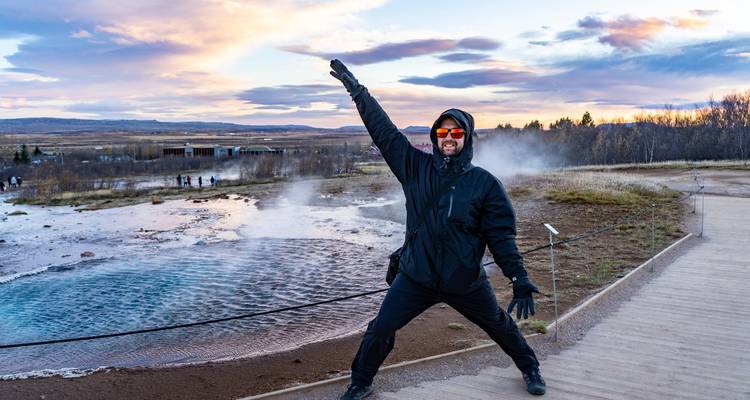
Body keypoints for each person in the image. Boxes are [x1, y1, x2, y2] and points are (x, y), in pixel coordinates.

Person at [329, 59, 545, 399]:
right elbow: (385, 133)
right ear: (434, 136)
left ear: (466, 138)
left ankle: (530, 366)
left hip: (464, 280)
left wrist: (518, 278)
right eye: (442, 132)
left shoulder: (484, 185)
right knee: (380, 328)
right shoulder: (415, 167)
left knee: (498, 325)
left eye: (455, 133)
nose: (448, 138)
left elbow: (501, 238)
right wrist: (359, 93)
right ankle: (361, 382)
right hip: (417, 275)